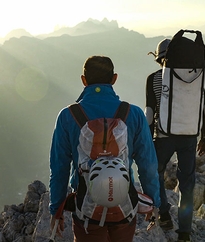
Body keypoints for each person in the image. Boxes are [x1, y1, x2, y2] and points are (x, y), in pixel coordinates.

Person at [49, 55, 161, 242]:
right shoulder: (133, 114)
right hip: (124, 207)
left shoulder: (67, 116)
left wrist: (56, 210)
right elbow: (148, 165)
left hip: (86, 209)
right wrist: (154, 203)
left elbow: (59, 168)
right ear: (114, 79)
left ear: (83, 80)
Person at [146, 39, 205, 242]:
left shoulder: (154, 79)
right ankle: (184, 233)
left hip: (163, 136)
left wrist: (147, 141)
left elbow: (149, 113)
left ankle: (164, 213)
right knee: (187, 184)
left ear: (159, 59)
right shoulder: (194, 77)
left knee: (155, 172)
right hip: (189, 137)